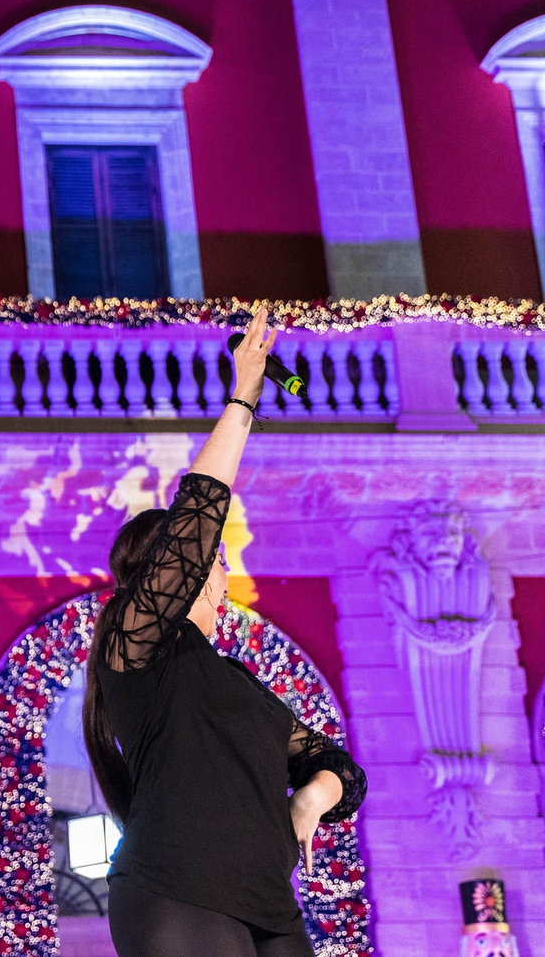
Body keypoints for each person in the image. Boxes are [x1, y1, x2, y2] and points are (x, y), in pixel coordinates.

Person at [82, 304, 367, 957]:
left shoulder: (234, 680)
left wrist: (306, 804)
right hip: (175, 887)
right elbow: (198, 515)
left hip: (269, 898)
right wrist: (243, 397)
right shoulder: (137, 650)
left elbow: (339, 769)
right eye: (203, 556)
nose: (216, 560)